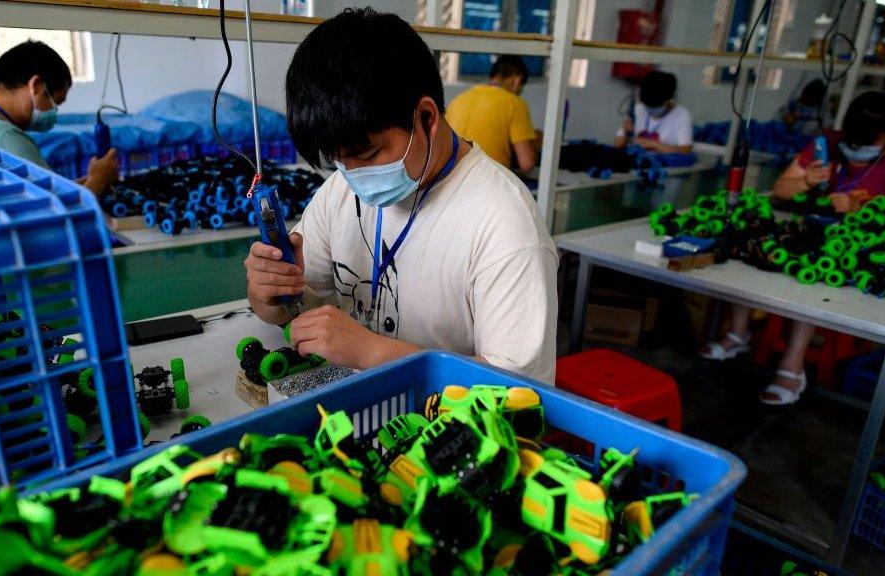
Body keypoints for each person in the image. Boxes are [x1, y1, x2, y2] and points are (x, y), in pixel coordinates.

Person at [245, 8, 558, 382]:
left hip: (444, 430)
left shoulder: (504, 223)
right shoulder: (339, 191)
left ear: (426, 117)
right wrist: (269, 295)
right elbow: (294, 311)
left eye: (368, 155)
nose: (354, 176)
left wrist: (373, 352)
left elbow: (522, 394)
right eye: (338, 161)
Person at [701, 91, 885, 405]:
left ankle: (792, 365)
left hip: (862, 245)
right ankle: (738, 333)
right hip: (814, 227)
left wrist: (862, 206)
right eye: (853, 144)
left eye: (867, 146)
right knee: (751, 245)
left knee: (811, 273)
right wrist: (805, 182)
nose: (857, 153)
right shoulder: (826, 145)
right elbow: (781, 188)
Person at [0, 41, 119, 195]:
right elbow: (57, 217)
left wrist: (80, 186)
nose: (54, 112)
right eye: (55, 101)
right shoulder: (6, 139)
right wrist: (98, 181)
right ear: (37, 86)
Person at [445, 55, 540, 172]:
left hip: (452, 181)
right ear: (517, 80)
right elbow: (527, 163)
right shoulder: (514, 103)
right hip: (489, 183)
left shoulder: (458, 100)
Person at [613, 71, 693, 154]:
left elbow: (685, 150)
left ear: (668, 99)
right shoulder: (638, 109)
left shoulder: (682, 115)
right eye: (647, 106)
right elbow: (617, 145)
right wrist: (624, 131)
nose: (650, 109)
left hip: (663, 165)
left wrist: (652, 144)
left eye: (655, 106)